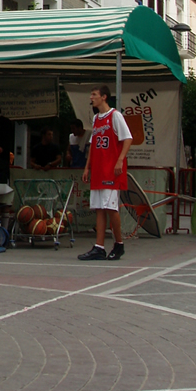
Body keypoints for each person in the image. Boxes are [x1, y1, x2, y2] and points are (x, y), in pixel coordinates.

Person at [78, 85, 132, 262]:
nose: (91, 98)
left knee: (110, 207)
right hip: (99, 169)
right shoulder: (96, 119)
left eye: (94, 94)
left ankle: (119, 243)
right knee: (99, 208)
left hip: (111, 169)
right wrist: (87, 167)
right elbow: (93, 145)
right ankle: (99, 246)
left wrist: (120, 160)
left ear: (104, 97)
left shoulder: (115, 115)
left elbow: (127, 138)